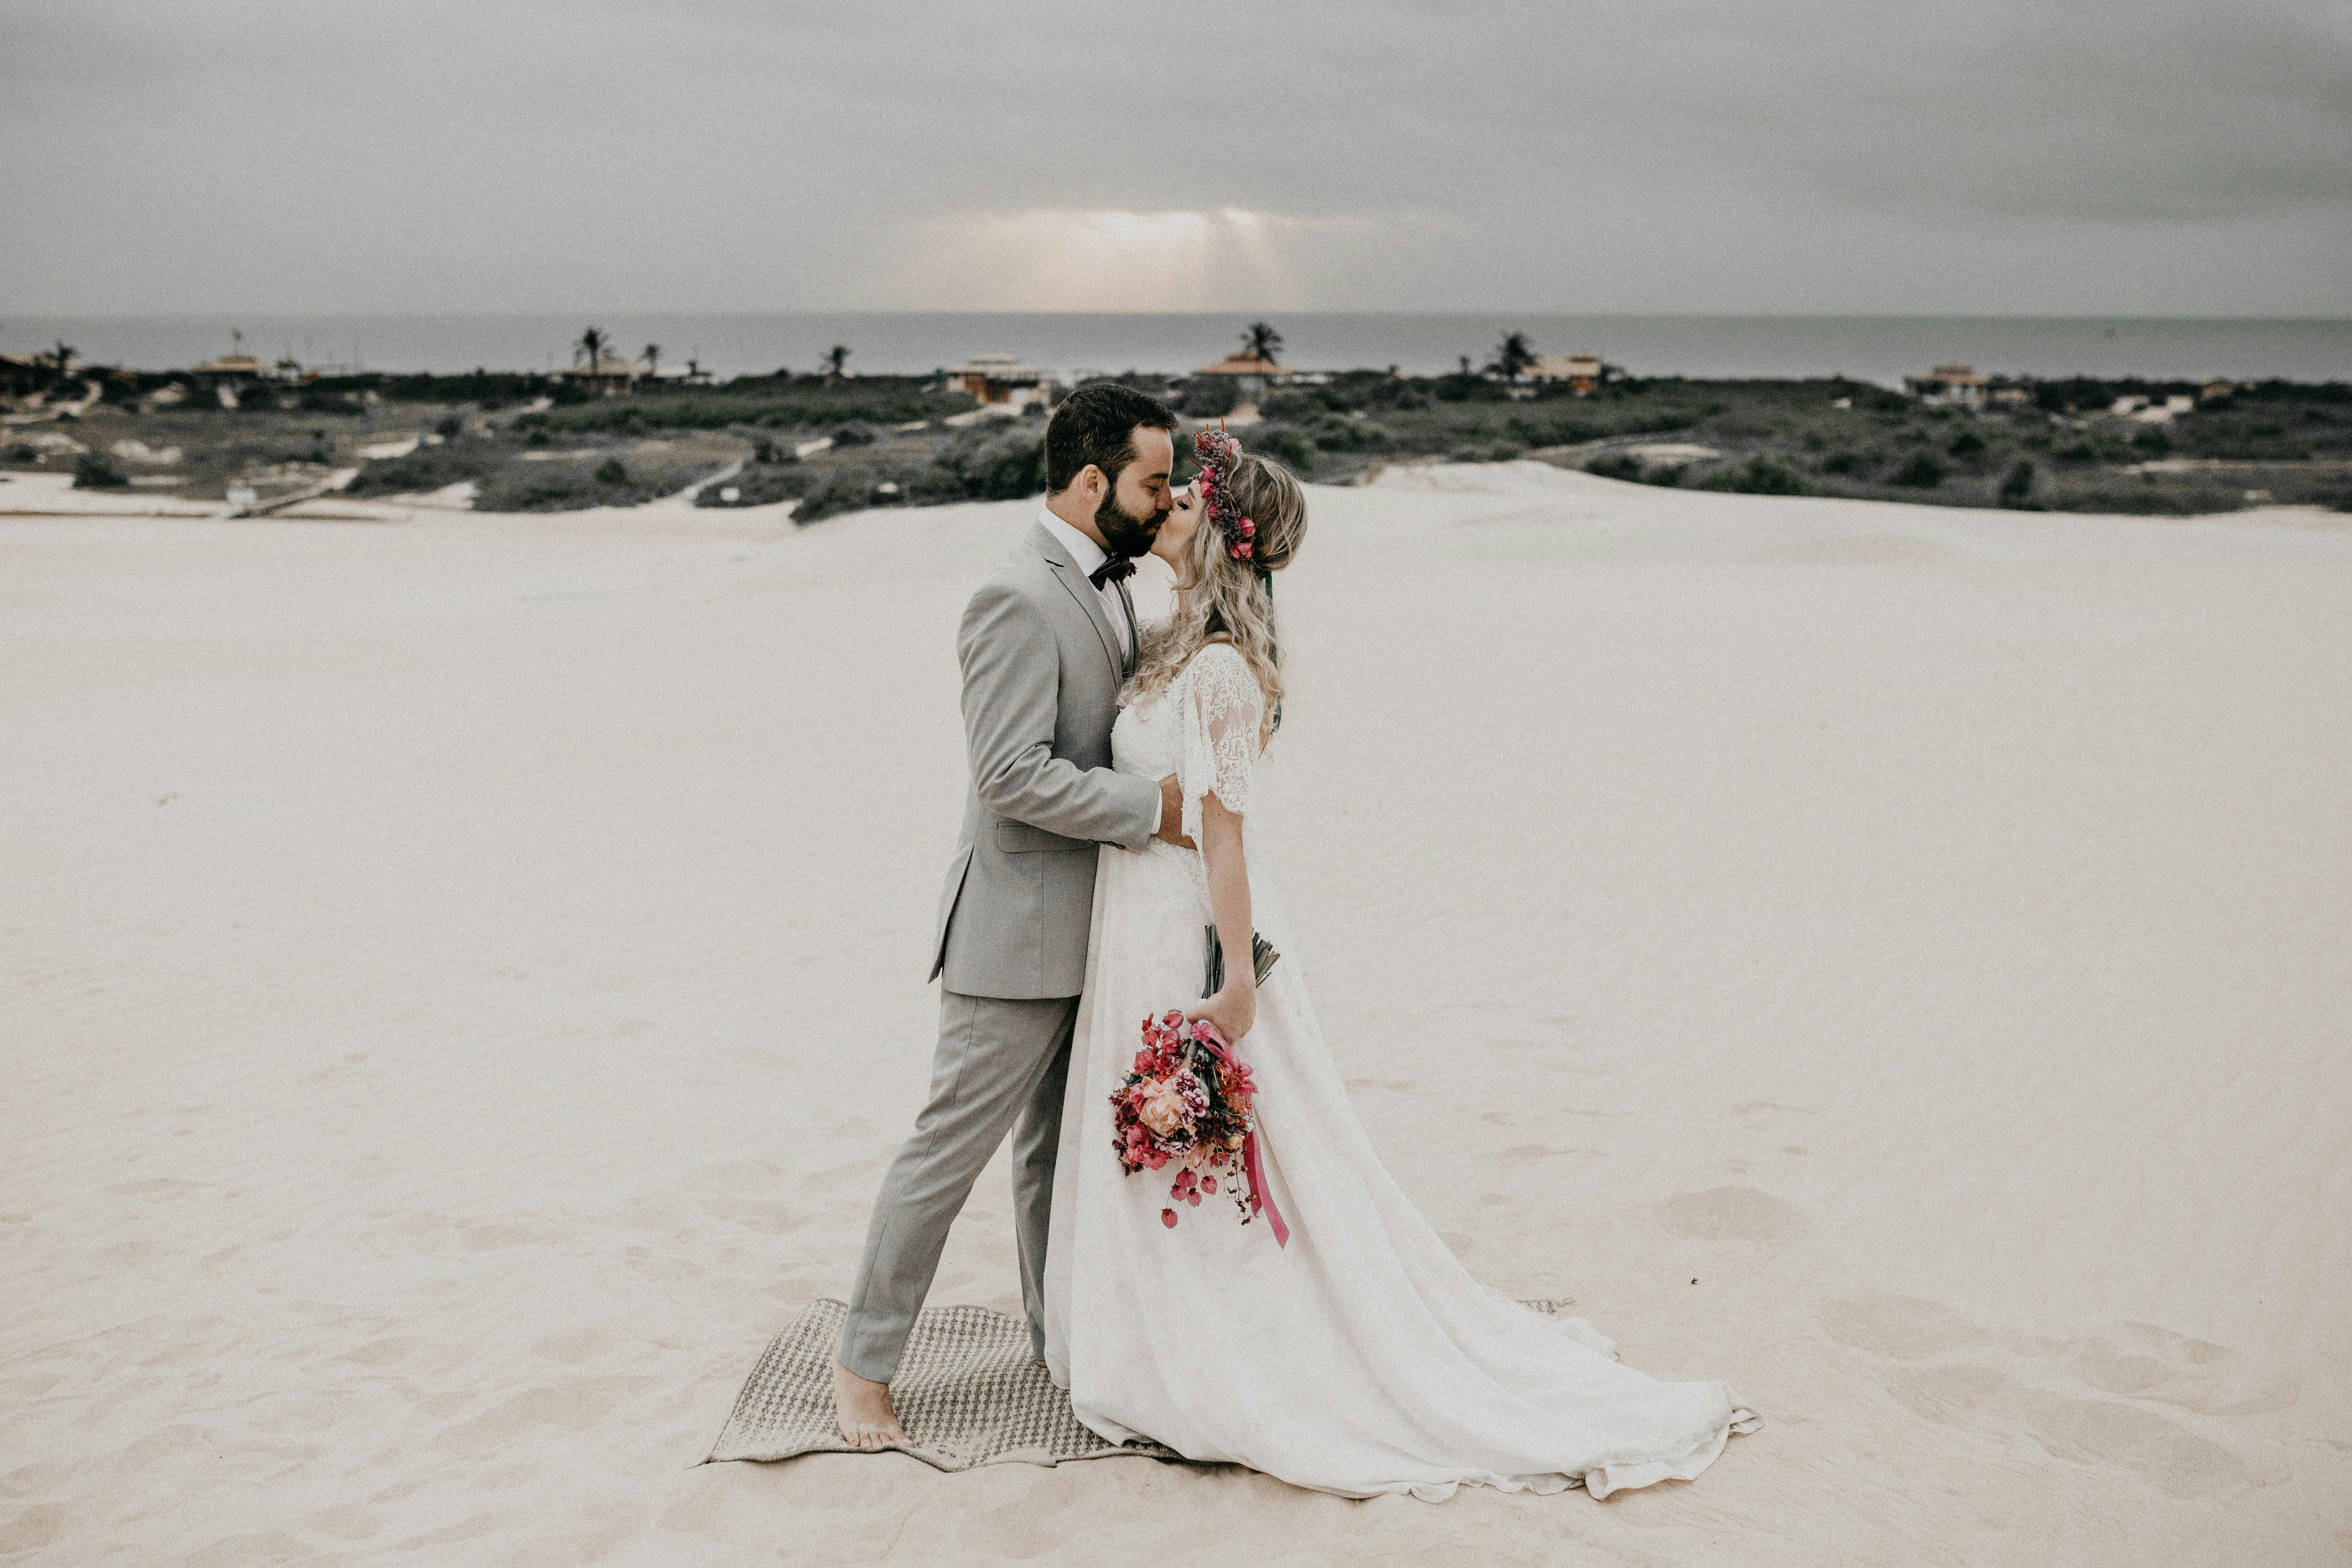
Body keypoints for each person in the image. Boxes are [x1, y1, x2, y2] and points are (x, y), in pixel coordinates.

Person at [1041, 430, 1759, 1500]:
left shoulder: (1225, 672)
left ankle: (1232, 1351)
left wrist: (1235, 980)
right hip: (1130, 923)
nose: (1166, 510)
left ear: (1224, 537)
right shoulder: (1163, 640)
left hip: (1190, 928)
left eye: (1185, 501)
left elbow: (1226, 838)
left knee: (1227, 1144)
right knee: (1160, 1137)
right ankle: (1148, 1333)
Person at [831, 384, 1195, 1449]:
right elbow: (1008, 775)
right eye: (1150, 480)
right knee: (946, 1154)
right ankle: (863, 1369)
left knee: (1052, 1158)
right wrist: (1152, 811)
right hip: (1013, 929)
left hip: (1102, 929)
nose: (1164, 497)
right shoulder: (1013, 597)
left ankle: (1054, 1341)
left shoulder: (1114, 581)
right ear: (1092, 482)